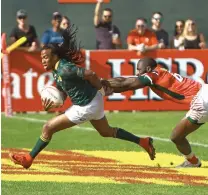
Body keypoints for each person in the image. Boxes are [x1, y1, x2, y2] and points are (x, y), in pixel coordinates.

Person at [9, 26, 155, 169]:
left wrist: (101, 90)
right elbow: (65, 88)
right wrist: (54, 102)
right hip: (92, 102)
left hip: (86, 106)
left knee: (48, 128)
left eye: (46, 57)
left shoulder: (65, 69)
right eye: (42, 58)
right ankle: (143, 141)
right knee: (106, 132)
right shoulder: (56, 69)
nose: (43, 61)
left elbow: (90, 74)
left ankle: (28, 159)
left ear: (55, 57)